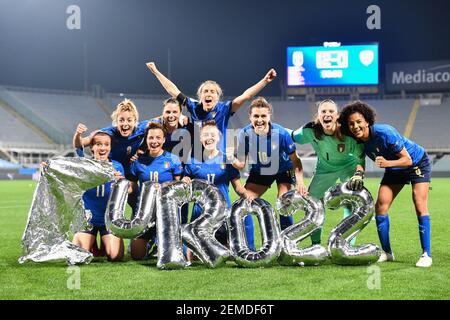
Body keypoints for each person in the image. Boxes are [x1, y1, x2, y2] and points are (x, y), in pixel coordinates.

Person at [339, 100, 432, 267]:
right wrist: (358, 174)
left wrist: (387, 163)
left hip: (417, 163)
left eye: (359, 122)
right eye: (351, 123)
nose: (355, 126)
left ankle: (426, 254)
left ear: (367, 121)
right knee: (380, 207)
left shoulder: (385, 132)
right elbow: (359, 161)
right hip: (395, 170)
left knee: (419, 204)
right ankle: (387, 252)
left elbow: (407, 160)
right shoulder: (358, 141)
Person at [146, 61, 277, 156]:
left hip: (218, 159)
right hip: (197, 159)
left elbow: (246, 95)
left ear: (217, 96)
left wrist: (264, 81)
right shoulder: (193, 106)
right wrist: (156, 72)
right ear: (200, 95)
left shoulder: (225, 109)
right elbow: (173, 91)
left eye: (212, 91)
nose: (208, 94)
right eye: (205, 91)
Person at [290, 99, 366, 245]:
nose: (327, 114)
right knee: (313, 203)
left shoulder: (347, 132)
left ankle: (347, 245)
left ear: (337, 116)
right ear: (318, 116)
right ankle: (315, 244)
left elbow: (360, 158)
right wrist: (272, 129)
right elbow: (291, 135)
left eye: (331, 111)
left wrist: (358, 174)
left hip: (348, 167)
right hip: (325, 169)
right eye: (323, 111)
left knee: (352, 202)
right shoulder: (310, 130)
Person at [182, 122, 254, 260]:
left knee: (227, 256)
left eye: (212, 135)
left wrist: (246, 194)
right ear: (200, 138)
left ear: (218, 138)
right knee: (191, 257)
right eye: (205, 135)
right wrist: (185, 179)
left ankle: (225, 242)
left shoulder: (227, 161)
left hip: (222, 214)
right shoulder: (192, 161)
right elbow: (186, 177)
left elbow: (238, 187)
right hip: (199, 213)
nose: (209, 138)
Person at [233, 97, 307, 230]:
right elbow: (241, 164)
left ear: (269, 116)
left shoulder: (281, 134)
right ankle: (247, 245)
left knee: (284, 202)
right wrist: (230, 159)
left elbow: (296, 160)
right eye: (256, 116)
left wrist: (300, 182)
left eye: (263, 116)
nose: (259, 120)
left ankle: (286, 242)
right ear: (250, 117)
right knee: (245, 204)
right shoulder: (244, 134)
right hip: (260, 171)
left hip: (283, 170)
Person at [128, 122, 183, 260]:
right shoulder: (138, 162)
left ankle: (159, 240)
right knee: (137, 256)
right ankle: (150, 240)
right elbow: (132, 189)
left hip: (165, 214)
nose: (154, 141)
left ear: (164, 139)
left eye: (158, 138)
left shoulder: (173, 159)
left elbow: (178, 187)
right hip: (144, 213)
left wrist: (164, 187)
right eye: (151, 138)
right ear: (146, 140)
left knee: (166, 255)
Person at [71, 129, 125, 261]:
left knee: (115, 256)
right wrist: (50, 166)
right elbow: (77, 146)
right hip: (88, 220)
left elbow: (127, 191)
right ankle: (92, 241)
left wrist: (120, 182)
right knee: (78, 257)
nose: (102, 148)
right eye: (98, 144)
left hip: (109, 221)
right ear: (92, 147)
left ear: (110, 147)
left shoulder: (117, 166)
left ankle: (108, 239)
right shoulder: (85, 165)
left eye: (106, 144)